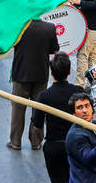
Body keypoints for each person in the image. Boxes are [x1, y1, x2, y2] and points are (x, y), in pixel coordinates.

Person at [31, 52, 85, 183]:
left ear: (51, 73)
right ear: (69, 71)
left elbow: (37, 124)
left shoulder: (44, 96)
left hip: (53, 146)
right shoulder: (77, 92)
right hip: (76, 145)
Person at [8, 19, 60, 150]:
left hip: (21, 73)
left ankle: (15, 141)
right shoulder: (49, 27)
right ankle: (36, 142)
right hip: (41, 74)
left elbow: (8, 45)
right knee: (38, 110)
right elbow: (54, 50)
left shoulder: (18, 26)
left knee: (18, 110)